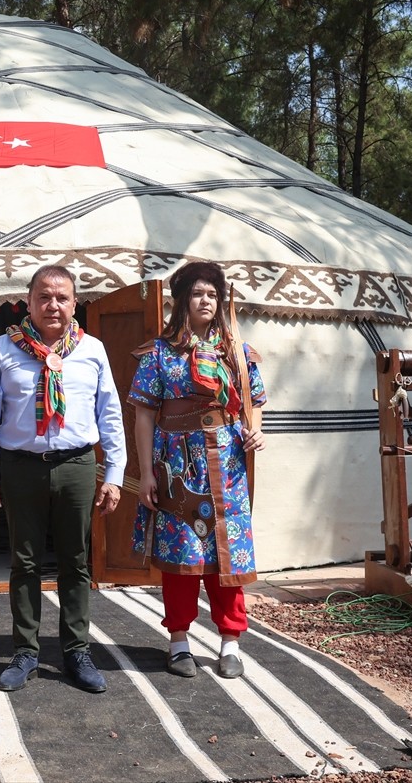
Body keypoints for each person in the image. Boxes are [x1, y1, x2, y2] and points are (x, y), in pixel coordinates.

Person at [0, 265, 125, 694]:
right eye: (44, 296)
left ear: (75, 303)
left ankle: (77, 651)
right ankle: (25, 652)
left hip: (76, 465)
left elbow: (109, 413)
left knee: (77, 560)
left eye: (62, 297)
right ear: (30, 301)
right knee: (24, 561)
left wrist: (113, 473)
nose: (53, 305)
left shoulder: (92, 349)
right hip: (20, 466)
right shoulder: (4, 349)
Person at [129, 261, 267, 679]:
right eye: (196, 294)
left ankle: (230, 643)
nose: (205, 301)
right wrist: (146, 474)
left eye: (212, 294)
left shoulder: (237, 353)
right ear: (181, 301)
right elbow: (142, 415)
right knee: (182, 558)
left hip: (227, 466)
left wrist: (254, 433)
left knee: (228, 558)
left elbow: (253, 401)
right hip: (176, 465)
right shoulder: (158, 354)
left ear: (220, 301)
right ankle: (179, 643)